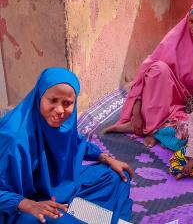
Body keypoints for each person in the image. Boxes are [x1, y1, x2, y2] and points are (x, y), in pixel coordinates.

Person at [0, 67, 133, 224]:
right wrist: (28, 205)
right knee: (53, 219)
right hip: (21, 205)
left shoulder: (62, 124)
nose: (59, 110)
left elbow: (75, 142)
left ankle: (82, 213)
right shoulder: (14, 139)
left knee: (116, 175)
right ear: (39, 96)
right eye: (53, 100)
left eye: (67, 103)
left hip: (57, 187)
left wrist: (106, 158)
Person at [103, 0, 193, 147]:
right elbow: (145, 71)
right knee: (157, 69)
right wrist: (136, 111)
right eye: (191, 21)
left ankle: (152, 130)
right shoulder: (177, 36)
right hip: (166, 95)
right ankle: (153, 128)